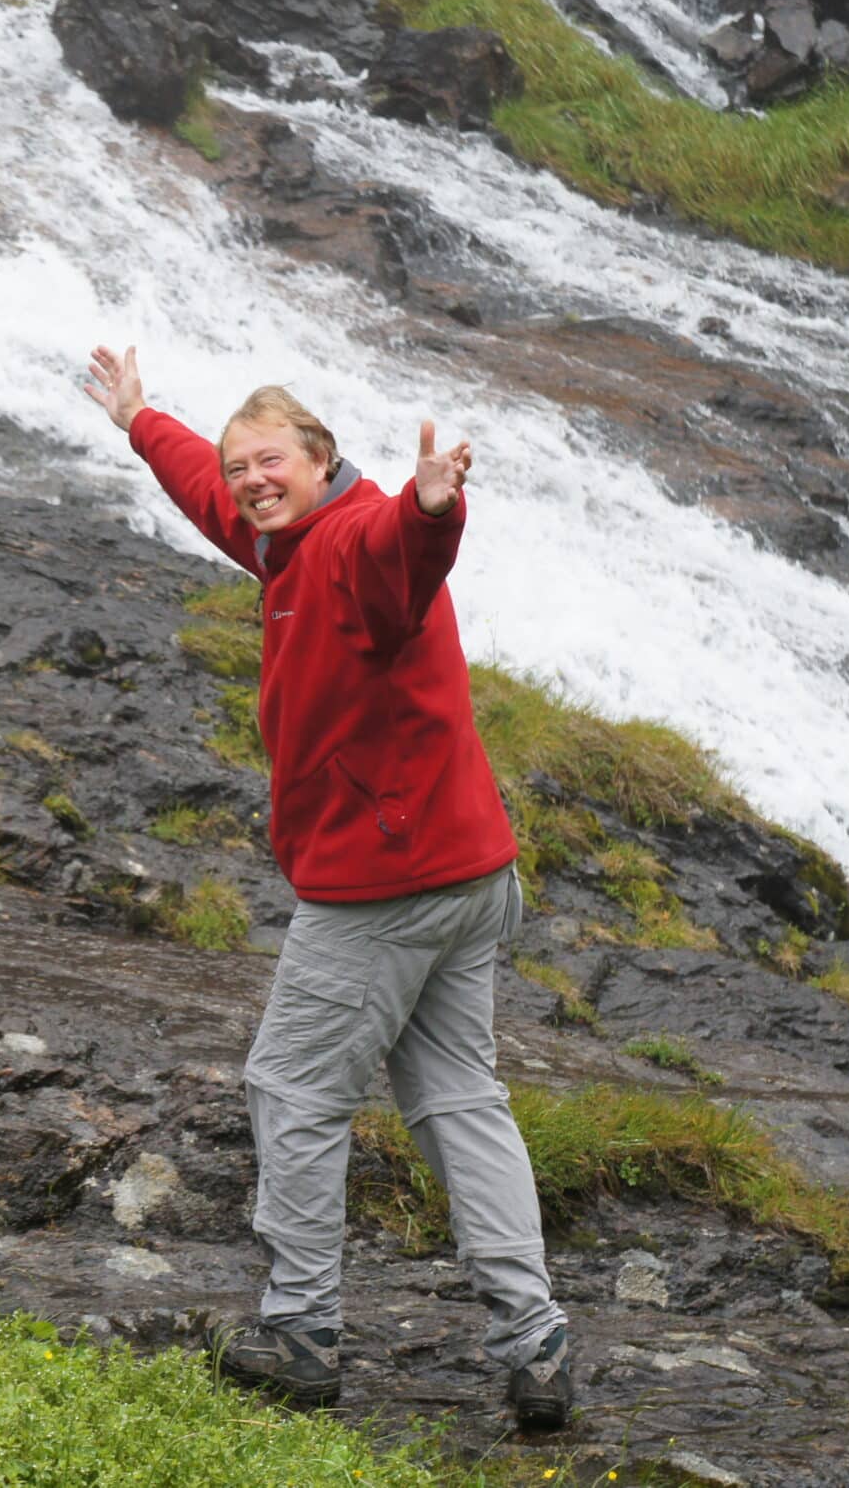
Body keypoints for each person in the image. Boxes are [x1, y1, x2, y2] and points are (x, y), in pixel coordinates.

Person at [79, 344, 572, 1430]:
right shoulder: (284, 542)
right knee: (456, 1100)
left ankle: (300, 1330)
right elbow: (213, 500)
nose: (251, 481)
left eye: (271, 463)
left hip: (384, 885)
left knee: (293, 1090)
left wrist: (432, 507)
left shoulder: (356, 541)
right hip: (468, 872)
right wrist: (139, 421)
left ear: (324, 461)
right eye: (240, 465)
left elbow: (404, 555)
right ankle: (534, 1344)